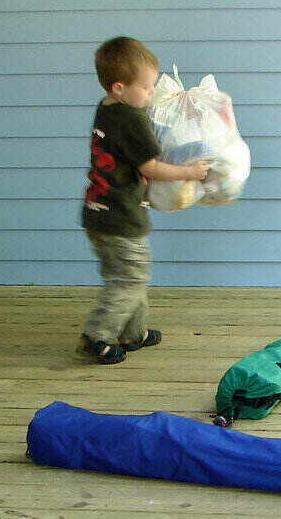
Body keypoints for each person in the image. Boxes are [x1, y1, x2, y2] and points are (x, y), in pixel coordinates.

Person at [80, 36, 209, 364]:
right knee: (130, 277)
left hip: (97, 212)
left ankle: (132, 333)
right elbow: (151, 166)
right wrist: (189, 172)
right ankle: (98, 334)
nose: (152, 93)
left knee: (128, 275)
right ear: (120, 87)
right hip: (120, 217)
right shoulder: (132, 119)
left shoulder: (106, 108)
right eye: (147, 87)